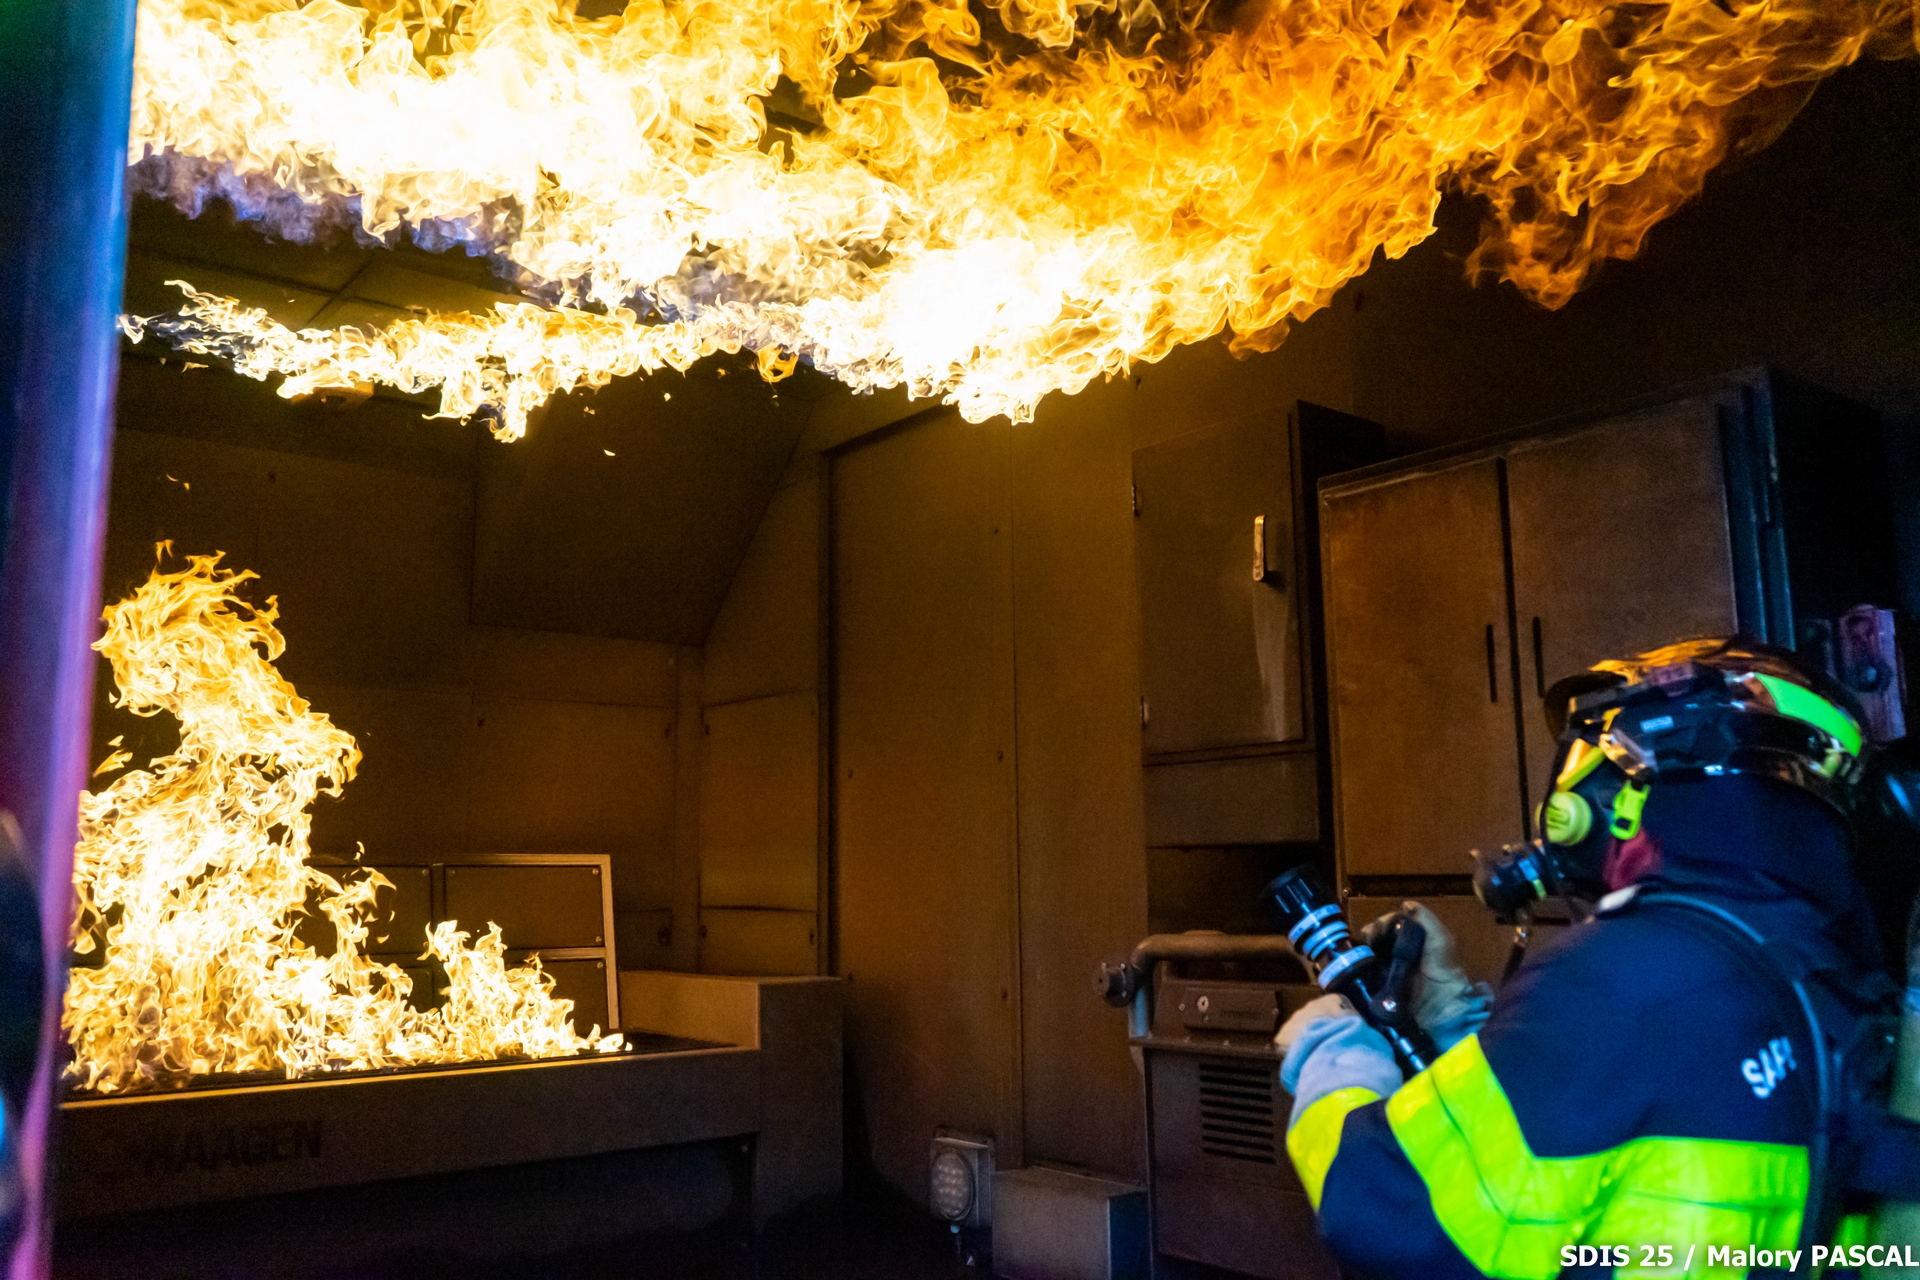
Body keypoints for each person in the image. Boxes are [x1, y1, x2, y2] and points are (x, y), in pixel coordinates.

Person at [1277, 638, 1903, 1279]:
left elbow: (1381, 1210)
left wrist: (1336, 1039)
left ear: (1624, 802)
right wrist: (1450, 1024)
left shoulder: (1624, 981)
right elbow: (1598, 1136)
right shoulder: (1825, 971)